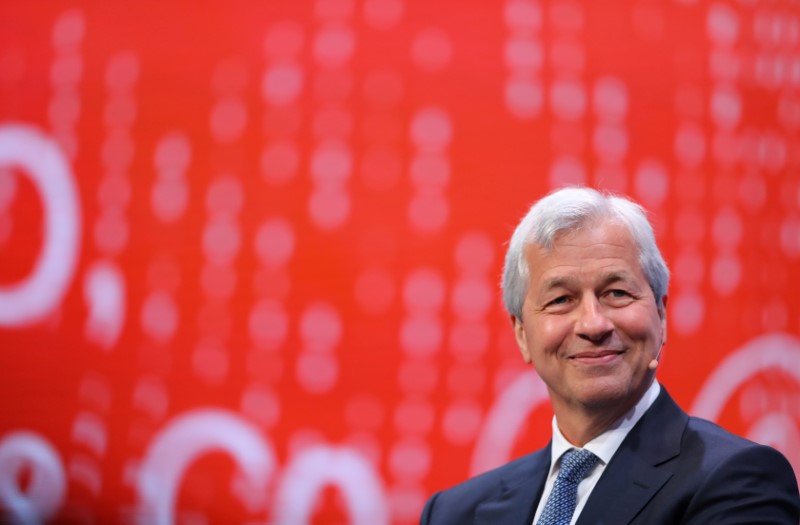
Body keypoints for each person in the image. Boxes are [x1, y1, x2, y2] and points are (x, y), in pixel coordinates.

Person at [420, 187, 800, 524]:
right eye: (561, 300)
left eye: (616, 293)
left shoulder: (738, 481)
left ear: (661, 315)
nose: (593, 324)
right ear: (521, 333)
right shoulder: (455, 512)